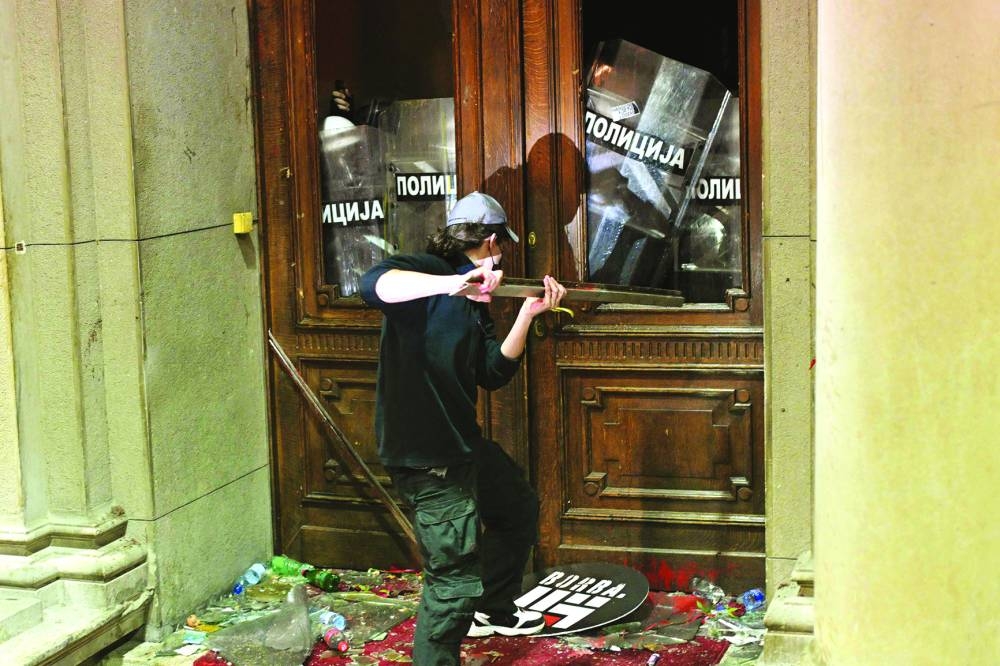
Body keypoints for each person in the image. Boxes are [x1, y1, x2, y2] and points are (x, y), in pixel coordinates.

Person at [360, 191, 567, 665]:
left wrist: (525, 315)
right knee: (452, 583)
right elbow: (373, 285)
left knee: (517, 506)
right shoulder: (425, 271)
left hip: (462, 443)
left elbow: (493, 372)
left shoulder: (477, 302)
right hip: (425, 455)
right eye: (502, 249)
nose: (502, 259)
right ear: (492, 241)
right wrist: (450, 284)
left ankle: (493, 608)